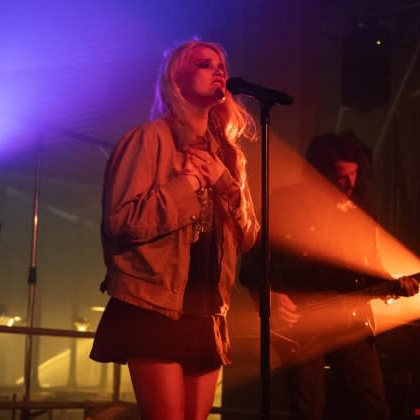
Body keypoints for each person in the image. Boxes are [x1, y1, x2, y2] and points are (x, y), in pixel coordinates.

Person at [90, 39, 260, 420]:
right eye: (205, 64)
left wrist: (223, 183)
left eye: (221, 64)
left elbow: (249, 236)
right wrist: (189, 187)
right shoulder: (147, 140)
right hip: (155, 305)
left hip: (208, 309)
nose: (220, 71)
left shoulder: (229, 156)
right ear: (178, 82)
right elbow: (121, 221)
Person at [241, 131, 419, 419]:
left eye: (354, 174)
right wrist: (269, 297)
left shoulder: (361, 210)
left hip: (351, 320)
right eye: (340, 176)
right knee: (308, 408)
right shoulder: (284, 203)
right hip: (300, 323)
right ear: (320, 173)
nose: (350, 184)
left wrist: (395, 284)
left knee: (373, 405)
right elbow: (252, 266)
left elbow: (368, 264)